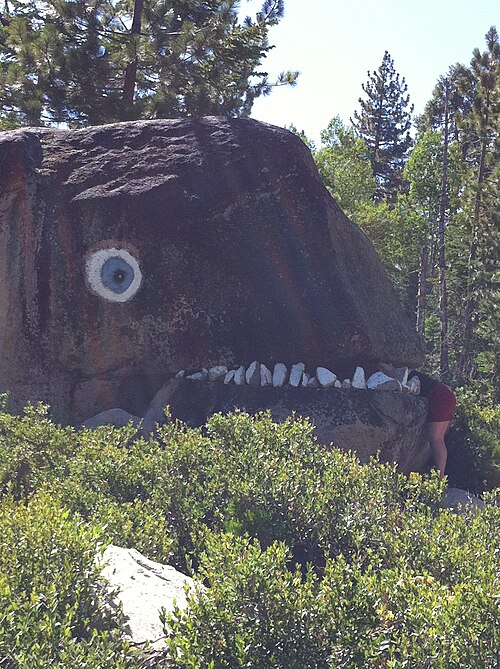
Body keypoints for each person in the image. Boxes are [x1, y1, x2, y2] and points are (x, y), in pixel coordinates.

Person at [378, 362, 456, 477]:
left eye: (384, 366)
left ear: (391, 364)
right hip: (445, 395)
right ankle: (440, 474)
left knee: (435, 438)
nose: (383, 369)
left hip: (441, 398)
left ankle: (440, 476)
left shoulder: (402, 374)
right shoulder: (404, 375)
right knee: (437, 438)